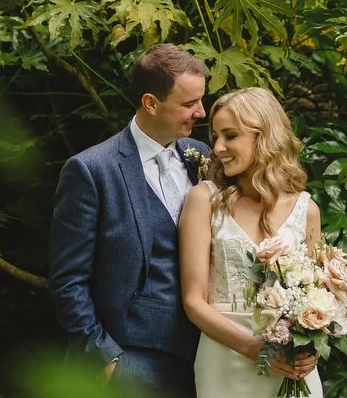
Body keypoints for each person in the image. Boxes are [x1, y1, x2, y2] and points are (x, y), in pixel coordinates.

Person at [49, 43, 211, 397]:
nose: (201, 112)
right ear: (151, 102)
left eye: (201, 100)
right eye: (188, 104)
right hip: (130, 358)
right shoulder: (92, 170)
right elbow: (68, 279)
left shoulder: (204, 158)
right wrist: (105, 358)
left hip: (207, 356)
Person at [180, 87, 322, 397]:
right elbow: (193, 301)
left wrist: (315, 349)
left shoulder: (307, 209)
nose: (218, 147)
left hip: (290, 364)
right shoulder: (204, 200)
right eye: (215, 136)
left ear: (264, 136)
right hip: (225, 360)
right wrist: (251, 349)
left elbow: (317, 298)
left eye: (230, 136)